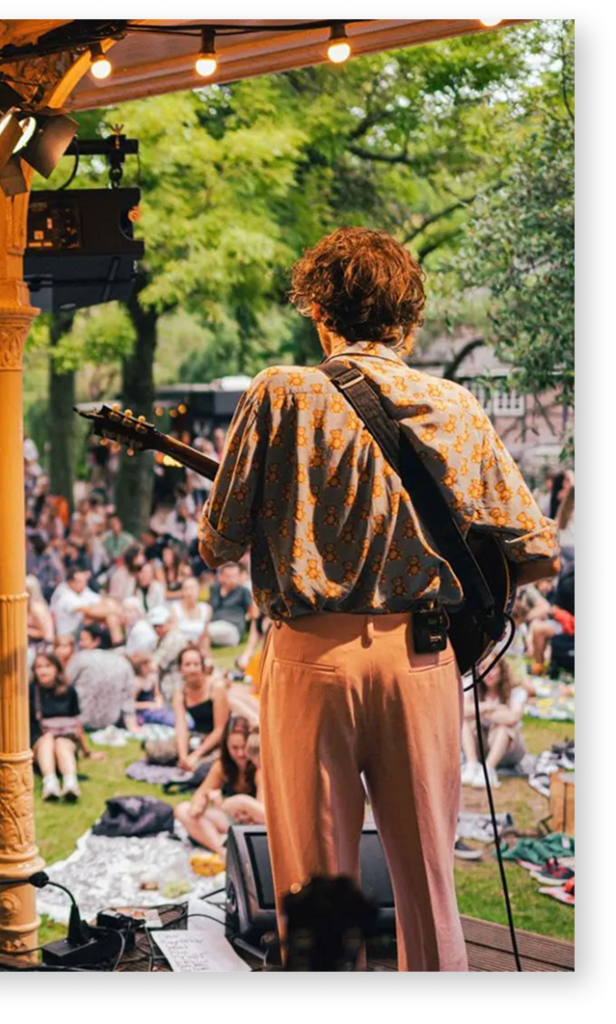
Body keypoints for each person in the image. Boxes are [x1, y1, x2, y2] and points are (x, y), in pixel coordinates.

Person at [198, 227, 559, 972]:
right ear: (408, 318)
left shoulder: (280, 392)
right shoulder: (455, 405)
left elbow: (218, 543)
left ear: (318, 310)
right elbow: (537, 552)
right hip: (421, 660)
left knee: (318, 899)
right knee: (429, 886)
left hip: (311, 659)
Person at [173, 717, 263, 858]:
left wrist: (239, 807)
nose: (240, 754)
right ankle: (223, 853)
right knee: (183, 810)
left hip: (254, 825)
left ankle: (227, 851)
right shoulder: (223, 766)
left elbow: (263, 814)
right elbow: (200, 795)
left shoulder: (259, 768)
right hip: (234, 821)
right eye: (234, 748)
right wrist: (201, 804)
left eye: (243, 747)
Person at [29, 651, 105, 801]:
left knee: (61, 743)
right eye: (39, 667)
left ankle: (70, 783)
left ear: (56, 668)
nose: (43, 671)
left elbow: (76, 723)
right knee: (47, 740)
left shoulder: (69, 691)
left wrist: (87, 751)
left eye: (47, 666)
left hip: (65, 740)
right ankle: (50, 783)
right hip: (41, 743)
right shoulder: (31, 691)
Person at [460, 658, 527, 790]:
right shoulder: (472, 685)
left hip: (508, 749)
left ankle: (488, 770)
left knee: (504, 727)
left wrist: (477, 710)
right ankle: (471, 764)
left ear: (502, 670)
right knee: (464, 722)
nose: (488, 673)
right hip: (482, 744)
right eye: (483, 668)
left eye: (493, 668)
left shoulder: (515, 691)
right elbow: (461, 711)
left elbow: (512, 718)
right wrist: (490, 707)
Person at [172, 645, 229, 773]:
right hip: (198, 737)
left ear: (202, 667)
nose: (192, 669)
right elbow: (181, 727)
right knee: (159, 751)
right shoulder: (180, 693)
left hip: (219, 740)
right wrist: (183, 756)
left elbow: (220, 729)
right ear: (181, 668)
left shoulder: (216, 687)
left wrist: (196, 755)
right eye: (187, 665)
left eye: (196, 664)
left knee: (208, 766)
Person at [208, 562, 254, 648]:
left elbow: (253, 613)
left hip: (233, 627)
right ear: (221, 576)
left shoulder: (243, 591)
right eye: (228, 576)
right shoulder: (214, 589)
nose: (232, 579)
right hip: (214, 624)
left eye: (235, 576)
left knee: (205, 632)